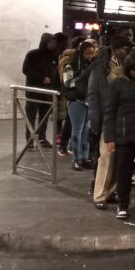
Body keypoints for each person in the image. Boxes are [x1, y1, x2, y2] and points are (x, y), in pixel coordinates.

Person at [103, 49, 135, 219]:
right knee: (123, 172)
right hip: (123, 136)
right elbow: (110, 111)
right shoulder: (117, 84)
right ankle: (122, 204)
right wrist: (109, 137)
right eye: (134, 70)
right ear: (128, 68)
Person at [87, 35, 134, 209]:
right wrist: (94, 120)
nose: (126, 52)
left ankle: (110, 192)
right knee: (106, 157)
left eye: (128, 49)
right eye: (124, 49)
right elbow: (93, 95)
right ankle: (99, 195)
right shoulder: (101, 68)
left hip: (123, 118)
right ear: (115, 49)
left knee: (118, 159)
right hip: (108, 118)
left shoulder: (127, 67)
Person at [60, 38, 98, 171]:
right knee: (77, 131)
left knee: (86, 132)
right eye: (87, 53)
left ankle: (85, 157)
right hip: (76, 101)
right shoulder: (71, 65)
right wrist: (83, 82)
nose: (90, 56)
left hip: (88, 101)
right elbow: (68, 83)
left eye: (92, 53)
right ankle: (76, 159)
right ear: (81, 53)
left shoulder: (93, 65)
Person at [21, 32, 58, 147]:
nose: (53, 45)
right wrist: (42, 78)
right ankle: (29, 140)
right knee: (31, 117)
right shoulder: (33, 54)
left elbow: (55, 72)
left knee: (44, 117)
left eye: (54, 42)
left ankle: (42, 139)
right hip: (33, 92)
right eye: (50, 42)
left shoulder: (54, 56)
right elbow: (26, 69)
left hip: (47, 92)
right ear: (44, 42)